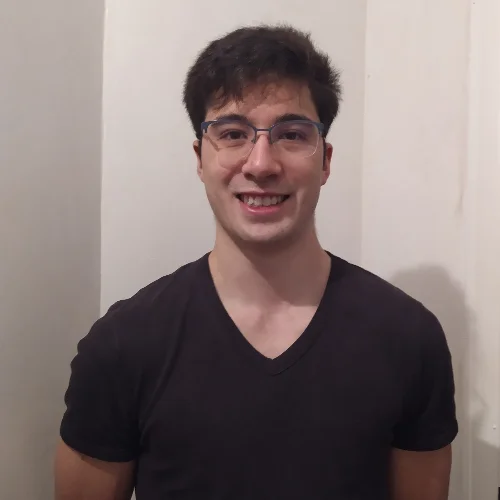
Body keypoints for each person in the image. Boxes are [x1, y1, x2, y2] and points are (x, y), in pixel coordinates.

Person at [54, 24, 458, 500]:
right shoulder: (122, 346)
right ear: (200, 158)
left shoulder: (409, 338)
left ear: (326, 161)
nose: (261, 164)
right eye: (232, 133)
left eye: (292, 134)